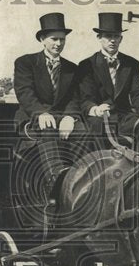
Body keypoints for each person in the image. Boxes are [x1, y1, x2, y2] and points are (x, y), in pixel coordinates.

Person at [13, 12, 87, 221]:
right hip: (32, 119)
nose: (58, 43)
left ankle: (83, 177)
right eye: (54, 39)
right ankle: (57, 180)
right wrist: (40, 113)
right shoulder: (25, 63)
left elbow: (74, 98)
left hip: (60, 119)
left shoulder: (72, 69)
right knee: (47, 127)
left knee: (84, 130)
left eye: (62, 39)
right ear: (42, 40)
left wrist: (70, 117)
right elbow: (24, 93)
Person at [76, 12, 139, 156]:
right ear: (99, 38)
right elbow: (85, 98)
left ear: (121, 38)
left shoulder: (131, 64)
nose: (112, 40)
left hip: (124, 118)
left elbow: (137, 92)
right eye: (108, 36)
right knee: (97, 126)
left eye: (116, 36)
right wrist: (95, 109)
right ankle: (102, 171)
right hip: (99, 118)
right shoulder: (87, 65)